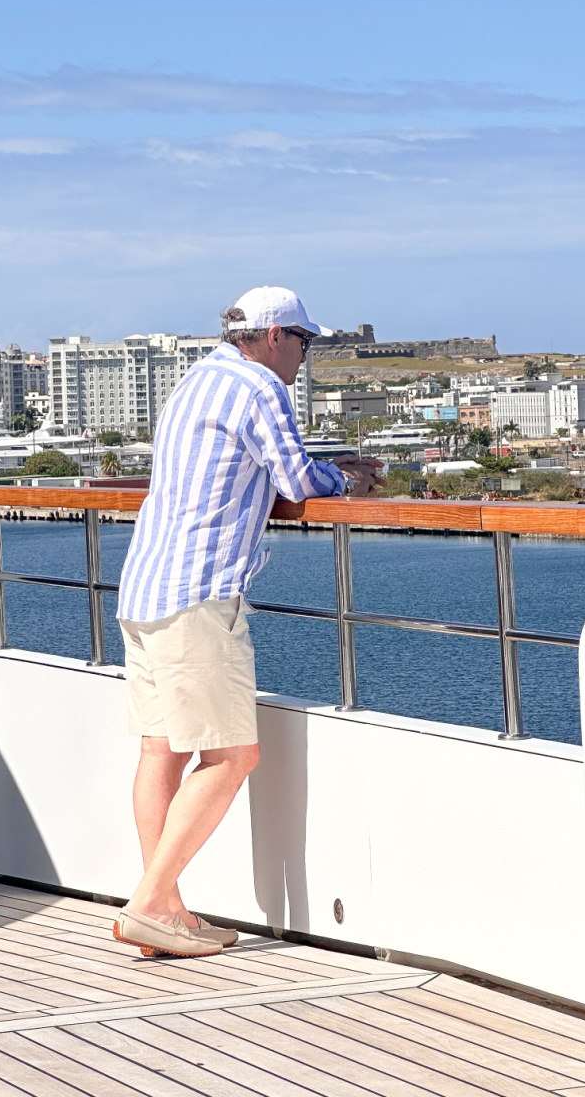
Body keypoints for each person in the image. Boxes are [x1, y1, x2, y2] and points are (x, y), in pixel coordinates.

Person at [112, 285, 383, 958]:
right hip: (199, 594)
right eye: (303, 340)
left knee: (159, 752)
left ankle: (165, 912)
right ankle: (148, 904)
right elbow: (294, 479)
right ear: (271, 337)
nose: (303, 354)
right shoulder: (261, 389)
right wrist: (349, 480)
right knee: (234, 756)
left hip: (145, 587)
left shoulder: (197, 380)